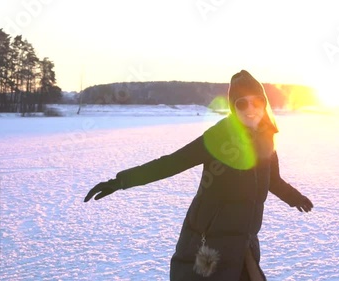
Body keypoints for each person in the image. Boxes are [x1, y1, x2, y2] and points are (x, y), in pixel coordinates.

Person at [84, 70, 314, 281]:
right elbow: (171, 163)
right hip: (210, 240)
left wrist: (295, 198)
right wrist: (121, 181)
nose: (251, 109)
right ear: (234, 107)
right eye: (242, 104)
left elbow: (273, 180)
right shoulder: (218, 137)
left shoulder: (266, 141)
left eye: (257, 102)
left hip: (244, 240)